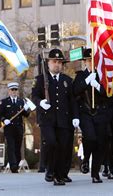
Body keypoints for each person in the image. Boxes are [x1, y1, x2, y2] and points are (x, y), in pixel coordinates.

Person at [32, 48, 78, 186]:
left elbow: (72, 101)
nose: (57, 64)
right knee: (51, 142)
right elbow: (33, 96)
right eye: (54, 61)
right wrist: (40, 102)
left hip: (63, 120)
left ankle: (58, 176)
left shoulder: (67, 80)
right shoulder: (40, 80)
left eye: (59, 62)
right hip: (47, 119)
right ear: (48, 63)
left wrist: (76, 117)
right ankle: (49, 169)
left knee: (62, 147)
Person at [73, 48, 111, 183]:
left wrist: (98, 85)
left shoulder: (101, 75)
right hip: (86, 113)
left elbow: (108, 94)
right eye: (88, 60)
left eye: (93, 60)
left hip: (100, 113)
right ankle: (85, 159)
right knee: (91, 138)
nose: (91, 63)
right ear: (85, 62)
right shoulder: (80, 76)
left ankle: (95, 173)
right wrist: (86, 82)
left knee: (100, 143)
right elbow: (75, 92)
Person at [0, 82, 31, 173]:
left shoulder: (21, 101)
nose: (14, 92)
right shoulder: (4, 102)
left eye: (15, 90)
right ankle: (13, 166)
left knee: (17, 146)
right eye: (12, 90)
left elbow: (26, 115)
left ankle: (16, 162)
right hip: (9, 128)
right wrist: (4, 120)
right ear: (9, 91)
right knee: (11, 146)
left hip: (19, 127)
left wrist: (26, 108)